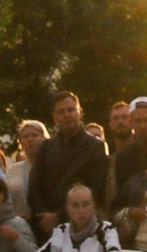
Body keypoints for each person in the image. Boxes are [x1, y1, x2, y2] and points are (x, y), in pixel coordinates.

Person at [30, 92, 110, 240]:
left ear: (79, 112)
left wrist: (59, 216)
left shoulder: (95, 146)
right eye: (61, 112)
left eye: (71, 110)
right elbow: (34, 187)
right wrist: (44, 217)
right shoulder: (46, 147)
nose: (66, 115)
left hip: (81, 226)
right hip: (45, 228)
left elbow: (96, 188)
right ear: (55, 117)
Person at [108, 97, 147, 207]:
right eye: (138, 121)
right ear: (130, 121)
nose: (142, 126)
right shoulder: (123, 157)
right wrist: (129, 212)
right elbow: (118, 200)